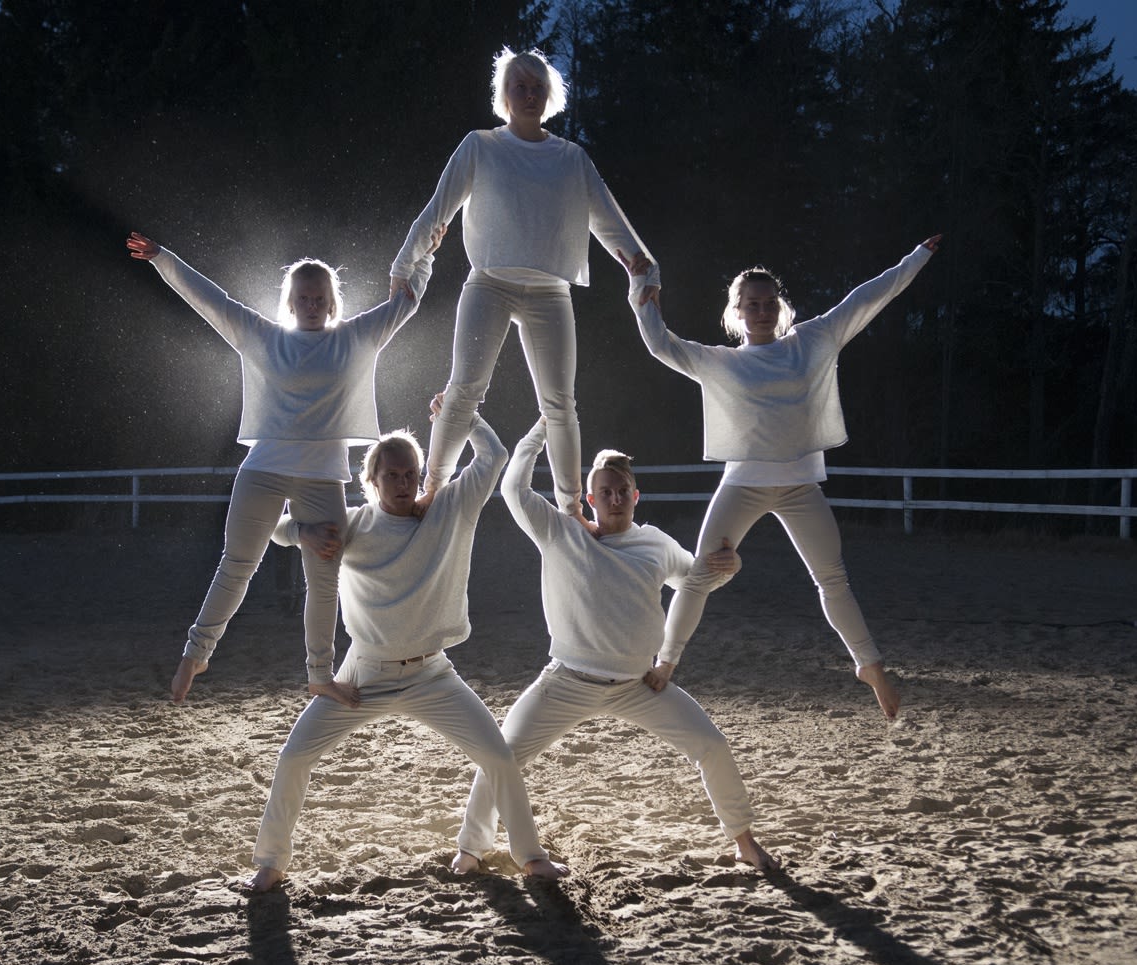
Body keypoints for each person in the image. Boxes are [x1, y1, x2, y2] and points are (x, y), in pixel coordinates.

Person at [624, 236, 944, 720]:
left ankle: (870, 667)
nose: (762, 310)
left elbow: (868, 297)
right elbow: (660, 345)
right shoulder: (724, 362)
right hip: (743, 484)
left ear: (781, 306)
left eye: (770, 302)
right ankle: (666, 663)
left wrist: (915, 257)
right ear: (737, 311)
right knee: (698, 576)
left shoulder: (811, 341)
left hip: (800, 487)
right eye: (752, 304)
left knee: (832, 580)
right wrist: (643, 297)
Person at [246, 410, 568, 891]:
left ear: (422, 477)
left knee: (498, 757)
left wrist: (463, 415)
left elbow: (493, 455)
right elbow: (276, 526)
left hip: (432, 676)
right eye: (391, 475)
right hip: (361, 675)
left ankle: (529, 856)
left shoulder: (450, 509)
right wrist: (304, 534)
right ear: (371, 480)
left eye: (410, 475)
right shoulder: (351, 524)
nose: (402, 483)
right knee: (294, 756)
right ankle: (271, 864)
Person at [126, 226, 443, 704]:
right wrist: (162, 258)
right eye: (303, 297)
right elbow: (211, 300)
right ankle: (196, 652)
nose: (312, 304)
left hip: (322, 476)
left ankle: (319, 675)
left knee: (325, 577)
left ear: (332, 304)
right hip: (264, 468)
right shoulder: (262, 336)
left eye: (320, 298)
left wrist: (423, 256)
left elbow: (407, 302)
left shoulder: (354, 339)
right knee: (237, 565)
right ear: (290, 303)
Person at [453, 419, 778, 874]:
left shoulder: (655, 543)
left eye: (622, 489)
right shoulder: (561, 532)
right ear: (589, 499)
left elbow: (696, 580)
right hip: (567, 680)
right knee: (502, 755)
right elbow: (513, 487)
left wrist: (730, 565)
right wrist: (545, 426)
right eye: (604, 491)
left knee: (711, 745)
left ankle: (745, 842)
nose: (615, 498)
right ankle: (470, 849)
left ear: (635, 495)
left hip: (637, 683)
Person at [390, 47, 659, 523]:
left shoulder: (571, 158)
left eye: (538, 87)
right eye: (521, 86)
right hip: (488, 283)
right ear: (505, 95)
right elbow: (437, 211)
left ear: (549, 95)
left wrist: (645, 269)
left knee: (560, 402)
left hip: (550, 291)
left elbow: (612, 223)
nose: (530, 94)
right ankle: (431, 490)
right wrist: (402, 267)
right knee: (464, 388)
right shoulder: (481, 145)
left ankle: (573, 509)